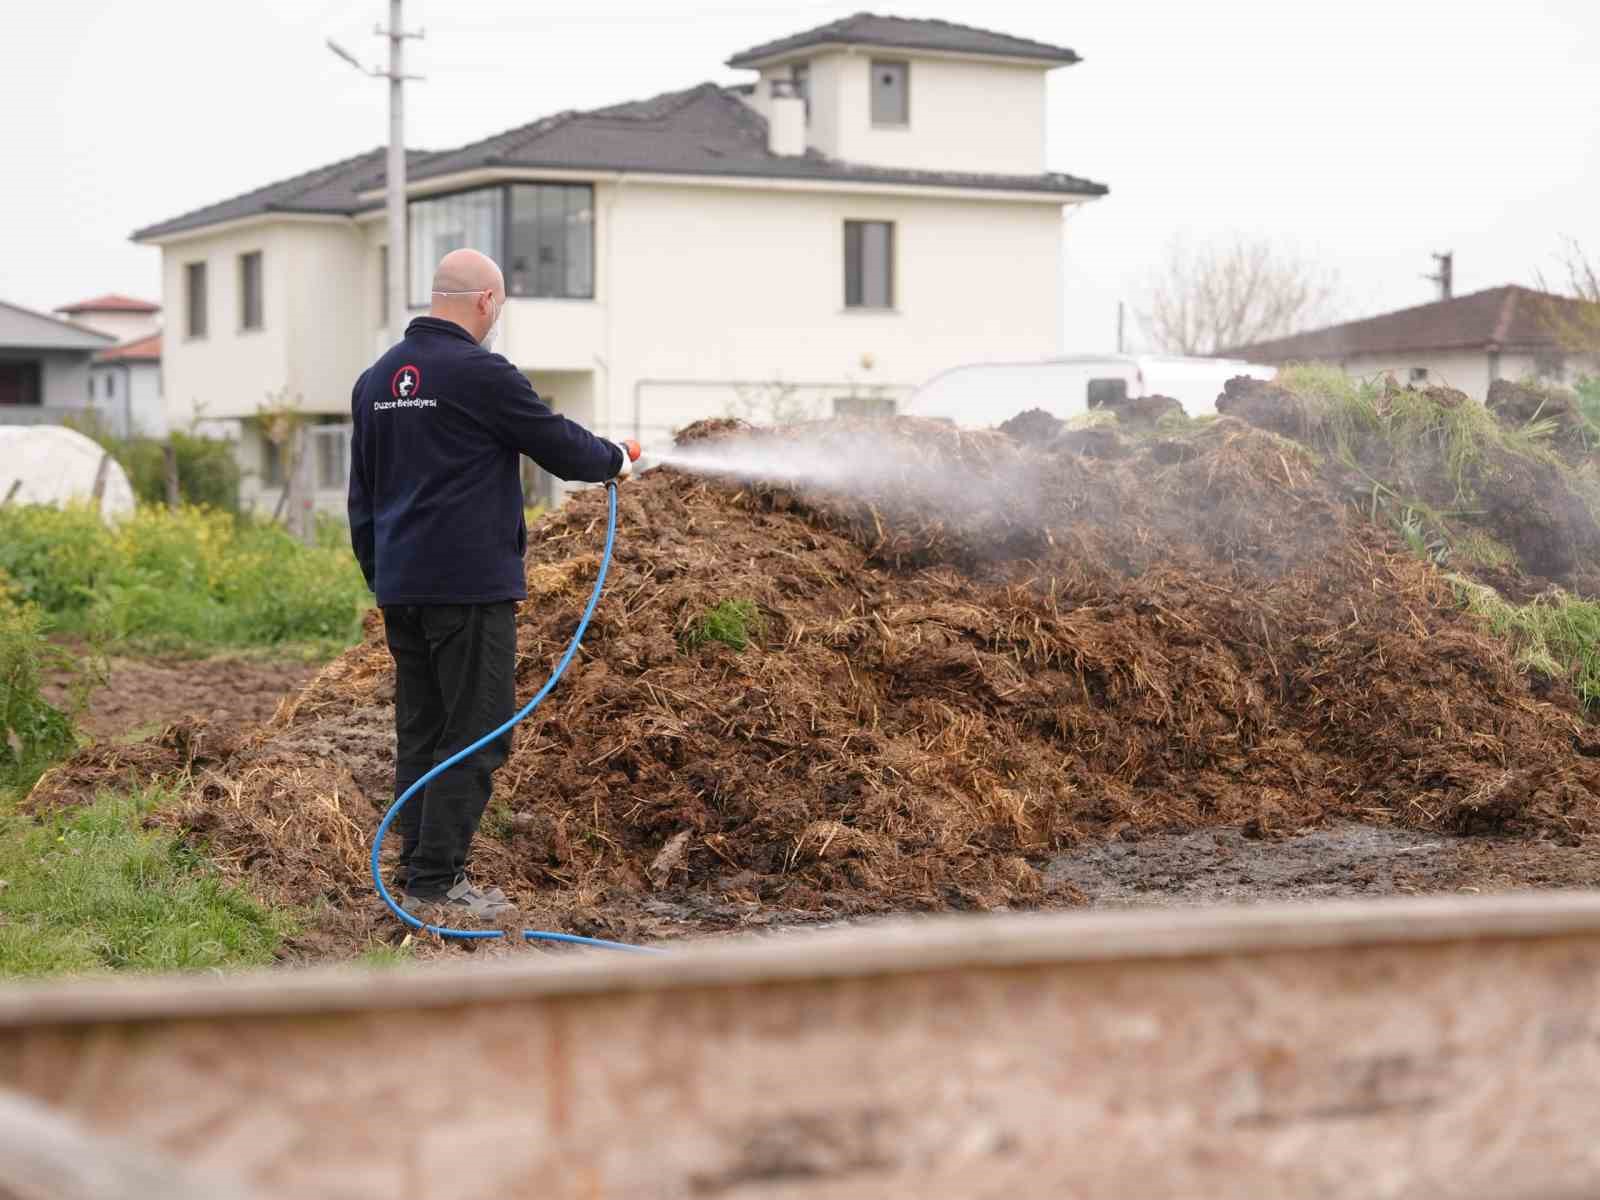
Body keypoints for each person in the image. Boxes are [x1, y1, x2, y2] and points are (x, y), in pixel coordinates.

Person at [348, 248, 633, 923]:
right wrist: (616, 459)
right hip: (469, 587)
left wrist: (382, 575)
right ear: (484, 302)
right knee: (478, 729)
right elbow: (557, 443)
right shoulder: (480, 373)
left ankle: (417, 864)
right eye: (499, 305)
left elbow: (361, 497)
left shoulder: (375, 380)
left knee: (424, 727)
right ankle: (437, 882)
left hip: (401, 586)